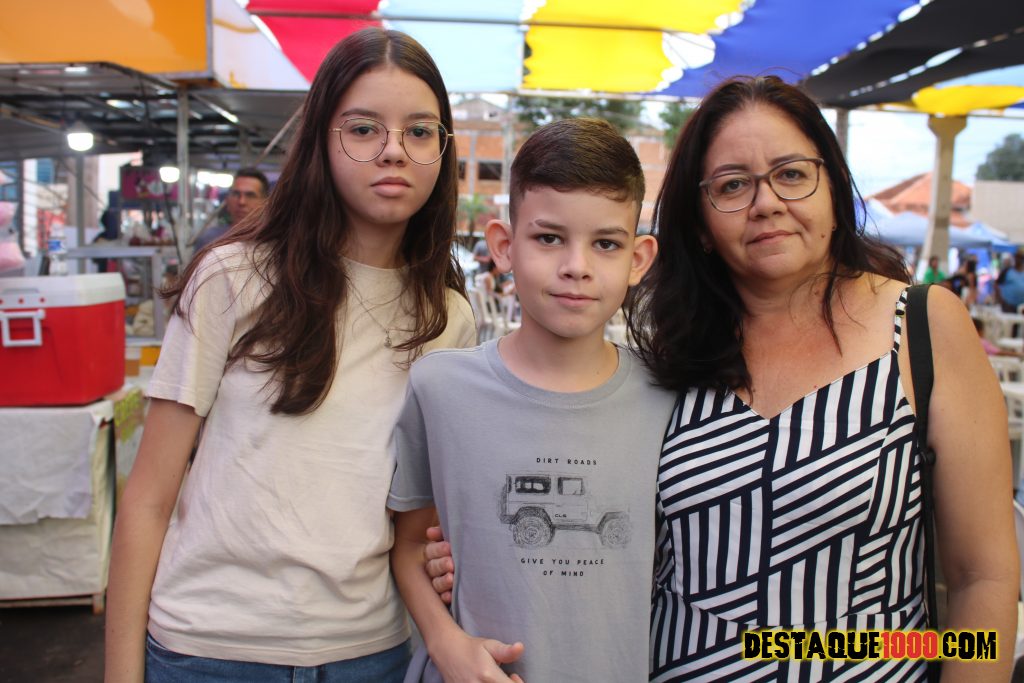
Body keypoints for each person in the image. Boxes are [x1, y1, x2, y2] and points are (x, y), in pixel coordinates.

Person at [426, 76, 1019, 681]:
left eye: (792, 174)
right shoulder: (669, 355)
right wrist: (466, 555)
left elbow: (985, 578)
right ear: (701, 224)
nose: (766, 202)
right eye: (733, 185)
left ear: (834, 188)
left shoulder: (921, 328)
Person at [104, 28, 476, 683]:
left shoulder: (447, 318)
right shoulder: (232, 277)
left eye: (420, 131)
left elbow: (414, 518)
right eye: (363, 129)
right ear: (321, 141)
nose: (394, 149)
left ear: (442, 150)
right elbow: (148, 499)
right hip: (207, 651)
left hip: (368, 653)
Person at [388, 118, 673, 682]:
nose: (576, 267)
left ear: (638, 259)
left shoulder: (669, 400)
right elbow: (409, 544)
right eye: (549, 238)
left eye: (606, 244)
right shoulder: (439, 388)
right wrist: (445, 642)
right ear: (503, 246)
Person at [191, 168, 270, 252]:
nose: (241, 202)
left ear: (265, 203)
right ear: (227, 200)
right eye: (236, 194)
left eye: (250, 195)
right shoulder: (209, 241)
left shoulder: (272, 244)